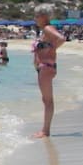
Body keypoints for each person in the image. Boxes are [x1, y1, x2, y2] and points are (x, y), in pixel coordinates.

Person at [31, 7, 64, 138]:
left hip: (46, 67)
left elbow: (61, 38)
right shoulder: (45, 30)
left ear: (44, 16)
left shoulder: (47, 28)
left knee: (48, 100)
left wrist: (51, 49)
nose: (35, 19)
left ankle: (45, 131)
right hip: (44, 67)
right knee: (46, 100)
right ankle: (45, 130)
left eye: (36, 16)